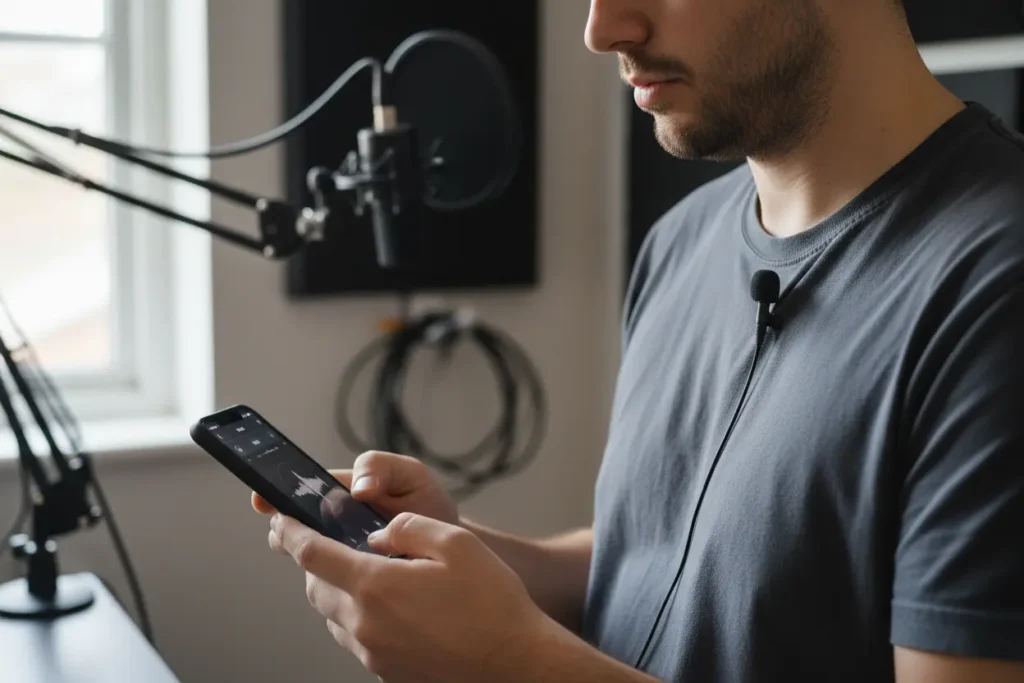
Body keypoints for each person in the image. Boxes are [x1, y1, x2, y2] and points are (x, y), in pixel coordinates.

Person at [253, 1, 1024, 681]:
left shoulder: (996, 280)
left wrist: (514, 660)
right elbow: (669, 564)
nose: (601, 29)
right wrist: (467, 560)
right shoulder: (679, 242)